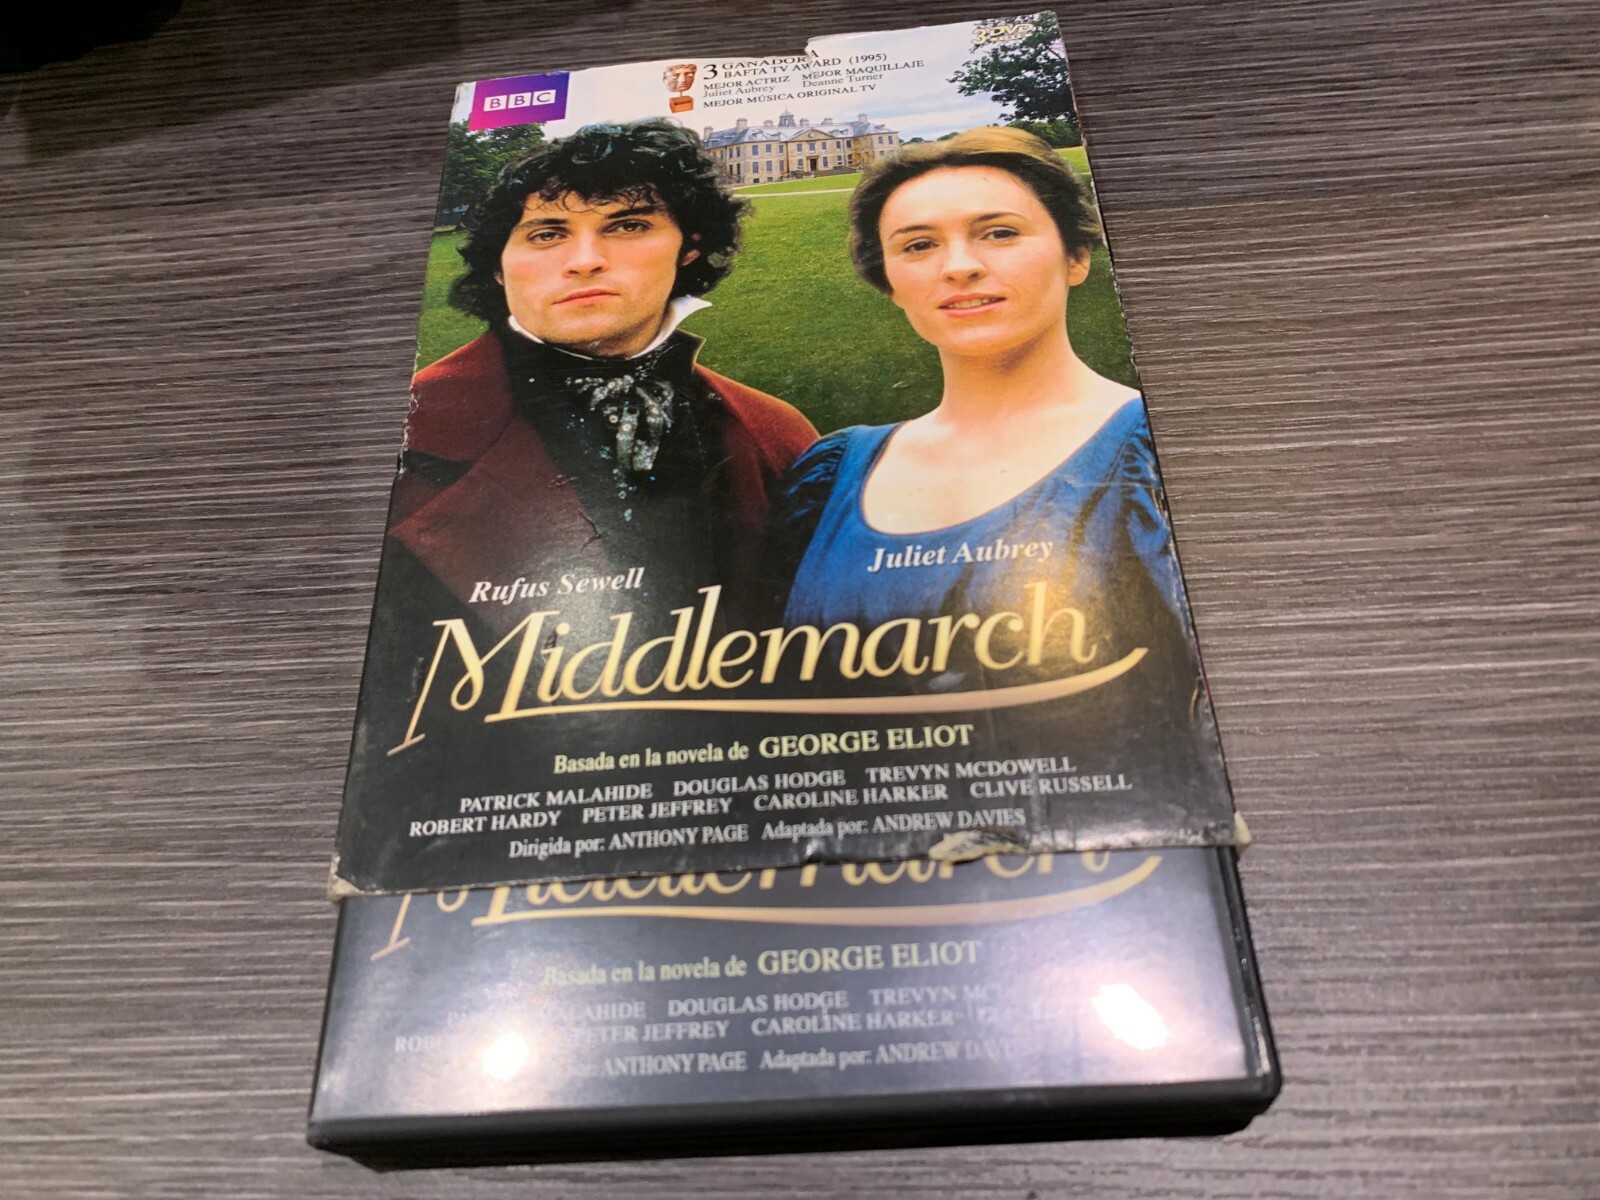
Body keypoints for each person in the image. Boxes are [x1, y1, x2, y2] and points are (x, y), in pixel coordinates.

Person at [771, 126, 1218, 744]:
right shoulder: (830, 474)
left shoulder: (1161, 451)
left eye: (1000, 233)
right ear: (890, 283)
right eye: (919, 245)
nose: (960, 267)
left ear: (1076, 257)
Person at [389, 119, 817, 630]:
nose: (585, 261)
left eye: (628, 226)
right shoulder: (401, 437)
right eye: (547, 234)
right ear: (498, 267)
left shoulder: (781, 434)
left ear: (689, 247)